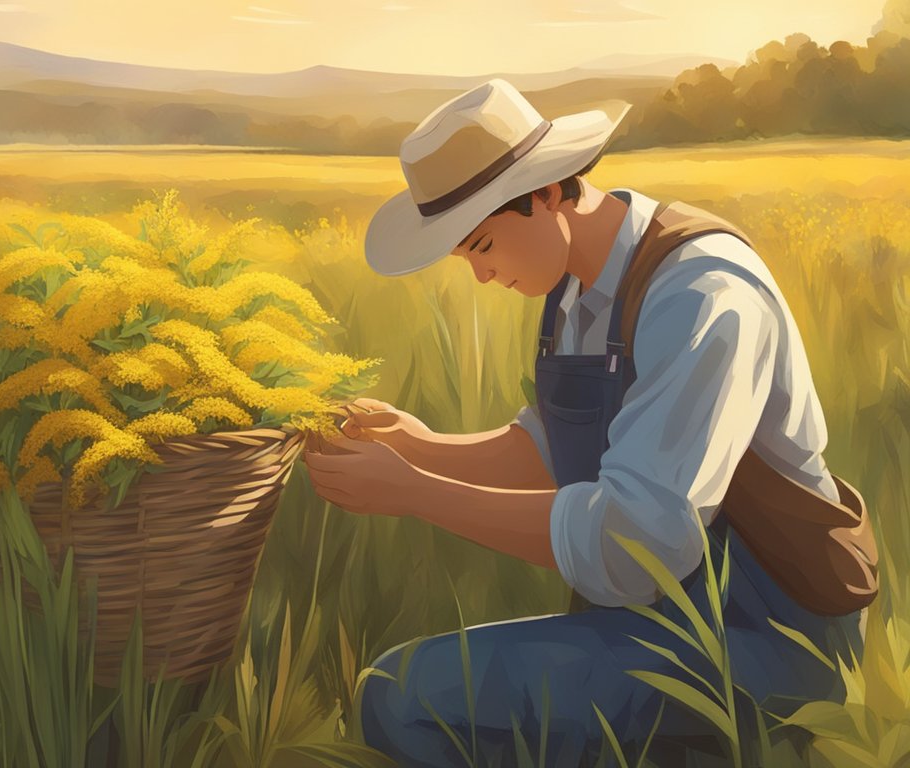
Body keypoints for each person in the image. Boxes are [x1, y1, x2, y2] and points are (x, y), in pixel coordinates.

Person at [300, 78, 877, 767]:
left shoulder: (703, 296)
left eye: (483, 246)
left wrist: (413, 491)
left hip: (767, 643)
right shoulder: (579, 284)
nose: (481, 276)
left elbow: (639, 543)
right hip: (661, 621)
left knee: (401, 695)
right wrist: (422, 449)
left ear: (547, 193)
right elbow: (555, 448)